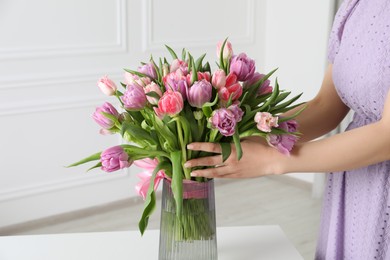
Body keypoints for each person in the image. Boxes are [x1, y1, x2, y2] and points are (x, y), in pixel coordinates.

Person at [184, 0, 390, 259]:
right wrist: (252, 133)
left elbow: (387, 136)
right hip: (356, 186)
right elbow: (326, 105)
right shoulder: (356, 6)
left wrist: (273, 160)